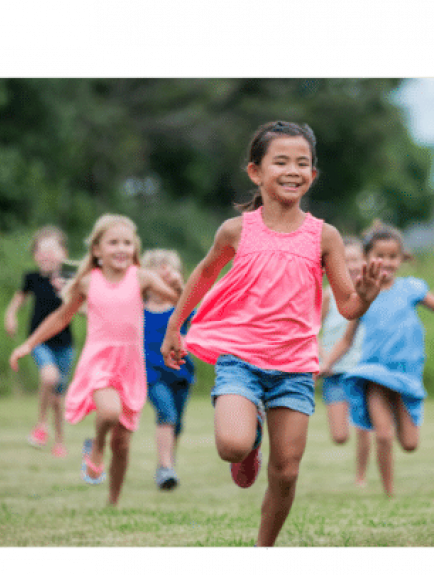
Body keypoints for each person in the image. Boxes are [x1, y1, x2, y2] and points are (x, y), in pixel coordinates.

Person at [161, 121, 385, 549]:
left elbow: (348, 305)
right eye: (280, 161)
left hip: (294, 366)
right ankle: (251, 441)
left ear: (312, 175)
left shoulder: (325, 237)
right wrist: (176, 324)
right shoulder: (236, 230)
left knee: (285, 472)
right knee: (232, 445)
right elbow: (204, 273)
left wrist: (368, 295)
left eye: (302, 163)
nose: (292, 170)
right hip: (240, 359)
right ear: (255, 172)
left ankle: (263, 545)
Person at [10, 215, 180, 507]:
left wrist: (178, 284)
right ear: (97, 249)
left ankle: (113, 501)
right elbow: (61, 317)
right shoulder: (89, 282)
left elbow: (178, 300)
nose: (121, 248)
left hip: (130, 365)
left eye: (127, 242)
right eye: (113, 242)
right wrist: (29, 344)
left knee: (124, 444)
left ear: (134, 248)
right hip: (99, 361)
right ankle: (97, 446)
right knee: (110, 413)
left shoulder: (141, 277)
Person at [321, 220, 434, 498]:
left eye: (393, 256)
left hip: (406, 374)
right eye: (379, 256)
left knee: (409, 444)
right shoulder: (363, 296)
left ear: (401, 258)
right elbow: (347, 340)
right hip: (373, 372)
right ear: (367, 258)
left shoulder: (412, 289)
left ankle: (398, 410)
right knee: (382, 435)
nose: (386, 262)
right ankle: (389, 491)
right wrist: (325, 365)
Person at [5, 227, 74, 458]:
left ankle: (60, 441)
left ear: (63, 253)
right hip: (38, 341)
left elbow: (83, 309)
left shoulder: (70, 279)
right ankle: (41, 425)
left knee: (58, 397)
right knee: (49, 377)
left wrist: (66, 292)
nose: (46, 255)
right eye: (41, 251)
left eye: (52, 250)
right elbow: (17, 302)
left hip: (65, 344)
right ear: (35, 255)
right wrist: (10, 316)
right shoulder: (31, 278)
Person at [319, 238, 372, 487]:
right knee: (340, 436)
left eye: (355, 259)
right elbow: (312, 329)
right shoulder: (328, 296)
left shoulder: (371, 294)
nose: (351, 265)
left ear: (366, 261)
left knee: (363, 428)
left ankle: (360, 476)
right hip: (334, 371)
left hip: (364, 370)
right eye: (345, 260)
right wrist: (323, 360)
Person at [142, 249, 195, 490]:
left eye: (169, 269)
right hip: (151, 373)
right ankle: (165, 467)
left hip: (181, 374)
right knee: (166, 414)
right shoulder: (137, 308)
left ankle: (166, 465)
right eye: (156, 269)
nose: (163, 274)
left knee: (177, 423)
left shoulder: (180, 306)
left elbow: (197, 318)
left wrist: (181, 288)